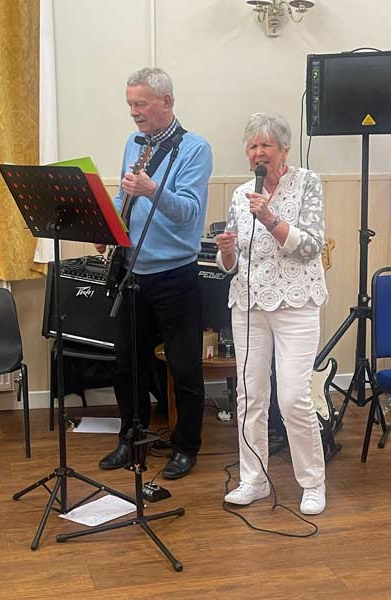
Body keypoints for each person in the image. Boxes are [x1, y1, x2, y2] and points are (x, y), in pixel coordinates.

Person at [94, 67, 212, 479]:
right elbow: (122, 194)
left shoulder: (195, 149)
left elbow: (190, 213)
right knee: (127, 366)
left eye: (140, 104)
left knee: (184, 368)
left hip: (175, 277)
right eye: (130, 104)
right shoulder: (134, 142)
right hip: (132, 273)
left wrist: (152, 190)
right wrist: (107, 227)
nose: (134, 112)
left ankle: (186, 447)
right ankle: (130, 439)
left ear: (166, 101)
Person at [216, 113, 327, 515]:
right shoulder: (241, 193)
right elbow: (229, 264)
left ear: (284, 150)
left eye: (266, 145)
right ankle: (254, 479)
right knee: (250, 396)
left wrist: (270, 218)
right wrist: (226, 252)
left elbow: (312, 247)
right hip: (249, 305)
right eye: (252, 146)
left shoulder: (307, 183)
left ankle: (312, 482)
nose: (258, 152)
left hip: (297, 303)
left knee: (294, 397)